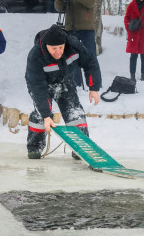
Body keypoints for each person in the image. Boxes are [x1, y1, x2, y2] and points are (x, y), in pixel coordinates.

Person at [25, 24, 101, 159]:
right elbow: (37, 86)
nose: (58, 51)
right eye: (54, 48)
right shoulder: (35, 55)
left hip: (65, 83)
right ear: (47, 46)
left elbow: (90, 62)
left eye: (60, 47)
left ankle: (80, 149)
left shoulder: (73, 45)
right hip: (43, 86)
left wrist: (94, 88)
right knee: (40, 116)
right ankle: (34, 147)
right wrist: (46, 115)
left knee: (75, 114)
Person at [54, 0, 99, 88]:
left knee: (91, 57)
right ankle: (76, 85)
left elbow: (91, 3)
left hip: (87, 28)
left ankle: (95, 85)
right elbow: (59, 8)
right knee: (72, 58)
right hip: (70, 28)